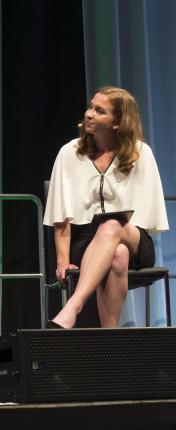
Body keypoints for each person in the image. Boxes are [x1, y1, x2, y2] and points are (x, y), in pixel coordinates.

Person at [45, 86, 168, 329]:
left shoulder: (140, 153)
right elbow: (62, 216)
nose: (89, 114)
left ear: (117, 122)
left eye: (99, 111)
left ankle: (73, 307)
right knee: (117, 255)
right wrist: (62, 260)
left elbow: (145, 217)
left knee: (113, 227)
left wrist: (116, 229)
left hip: (134, 237)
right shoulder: (69, 153)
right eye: (90, 107)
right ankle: (109, 339)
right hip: (86, 242)